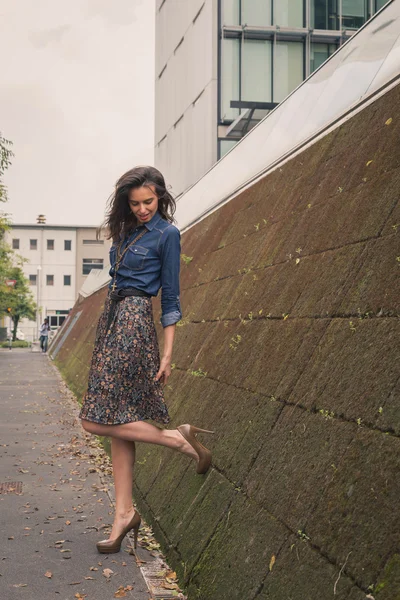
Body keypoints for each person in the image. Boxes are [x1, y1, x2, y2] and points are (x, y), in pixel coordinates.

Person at [79, 166, 213, 554]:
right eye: (135, 203)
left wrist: (167, 353)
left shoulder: (168, 234)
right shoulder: (123, 233)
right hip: (111, 319)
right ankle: (124, 514)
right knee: (118, 419)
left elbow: (170, 297)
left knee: (95, 419)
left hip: (135, 323)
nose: (142, 209)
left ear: (161, 197)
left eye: (149, 202)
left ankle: (177, 438)